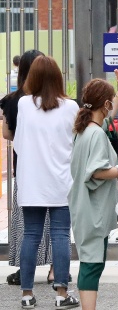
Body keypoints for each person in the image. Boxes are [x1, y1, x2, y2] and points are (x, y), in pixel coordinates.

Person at [69, 71, 118, 310]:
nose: (112, 105)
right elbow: (97, 171)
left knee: (92, 262)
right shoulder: (96, 135)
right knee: (92, 265)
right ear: (104, 104)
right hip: (93, 211)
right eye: (111, 100)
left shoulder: (87, 130)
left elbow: (105, 121)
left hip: (87, 208)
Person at [13, 55, 80, 309]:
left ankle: (27, 295)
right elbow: (75, 143)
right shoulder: (71, 106)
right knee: (61, 235)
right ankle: (61, 294)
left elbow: (18, 144)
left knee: (31, 235)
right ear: (58, 78)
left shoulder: (23, 105)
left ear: (32, 78)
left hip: (32, 182)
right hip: (62, 181)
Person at [1, 50, 58, 288]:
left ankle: (26, 273)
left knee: (28, 227)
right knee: (58, 226)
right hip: (56, 170)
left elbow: (7, 134)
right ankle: (57, 271)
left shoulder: (13, 101)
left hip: (26, 170)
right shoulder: (60, 101)